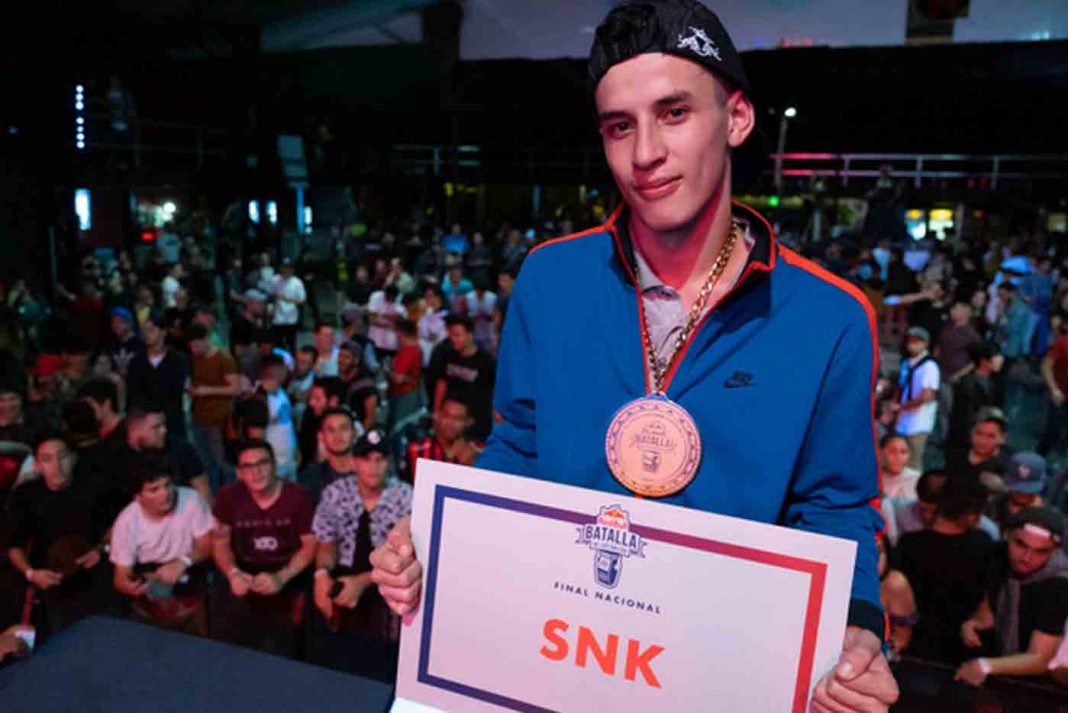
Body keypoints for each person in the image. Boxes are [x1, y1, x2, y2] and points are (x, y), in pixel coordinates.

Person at [372, 3, 898, 711]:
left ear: (737, 118)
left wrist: (858, 626)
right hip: (558, 655)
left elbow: (835, 506)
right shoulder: (551, 278)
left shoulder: (829, 317)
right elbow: (519, 447)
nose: (644, 153)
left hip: (712, 677)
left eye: (674, 113)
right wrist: (437, 539)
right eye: (620, 126)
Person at [310, 428, 412, 681]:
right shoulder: (335, 492)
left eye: (380, 459)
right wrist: (321, 576)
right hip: (343, 578)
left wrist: (362, 582)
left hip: (386, 586)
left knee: (380, 667)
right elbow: (326, 544)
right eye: (366, 459)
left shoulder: (405, 496)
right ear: (354, 462)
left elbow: (408, 557)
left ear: (389, 463)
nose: (373, 467)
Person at [211, 440, 315, 655]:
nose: (256, 472)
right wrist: (233, 573)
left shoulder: (298, 496)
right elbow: (220, 543)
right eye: (248, 467)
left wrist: (282, 577)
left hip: (289, 573)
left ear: (274, 465)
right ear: (239, 473)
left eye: (262, 463)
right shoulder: (228, 496)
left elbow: (310, 546)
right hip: (244, 572)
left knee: (288, 645)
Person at [7, 433, 113, 638]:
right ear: (37, 465)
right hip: (49, 578)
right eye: (47, 459)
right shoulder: (25, 495)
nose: (57, 466)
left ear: (73, 458)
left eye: (62, 457)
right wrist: (31, 573)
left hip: (93, 568)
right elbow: (14, 545)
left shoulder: (95, 486)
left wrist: (101, 549)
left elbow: (117, 524)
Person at [955, 508, 1068, 698]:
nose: (1026, 558)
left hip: (1043, 685)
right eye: (1020, 545)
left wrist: (985, 666)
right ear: (1006, 535)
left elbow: (1039, 658)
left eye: (1041, 551)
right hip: (998, 668)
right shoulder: (995, 556)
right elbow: (986, 610)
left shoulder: (1058, 585)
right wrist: (974, 622)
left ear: (1054, 551)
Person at [109, 453, 214, 635]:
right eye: (154, 490)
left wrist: (183, 562)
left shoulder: (191, 500)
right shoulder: (126, 522)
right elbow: (120, 577)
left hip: (191, 569)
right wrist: (132, 585)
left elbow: (207, 545)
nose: (165, 494)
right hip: (150, 579)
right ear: (138, 497)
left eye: (168, 485)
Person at [898, 476, 994, 665]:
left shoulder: (909, 544)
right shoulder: (982, 545)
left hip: (914, 645)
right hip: (964, 649)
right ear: (971, 514)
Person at [187, 323, 240, 492]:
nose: (194, 349)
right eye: (191, 346)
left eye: (197, 345)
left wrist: (207, 390)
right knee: (204, 461)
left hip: (218, 420)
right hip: (198, 417)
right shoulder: (194, 358)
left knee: (222, 461)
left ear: (206, 340)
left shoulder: (224, 359)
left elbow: (235, 388)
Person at [126, 309, 189, 444]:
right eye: (144, 331)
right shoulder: (136, 362)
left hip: (173, 425)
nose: (146, 335)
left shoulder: (177, 360)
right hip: (145, 426)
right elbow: (133, 395)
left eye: (151, 330)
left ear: (163, 332)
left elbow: (174, 391)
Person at [435, 314, 496, 442]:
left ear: (470, 335)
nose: (454, 339)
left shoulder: (486, 361)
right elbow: (442, 383)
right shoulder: (446, 354)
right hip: (450, 418)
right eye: (451, 335)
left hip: (475, 421)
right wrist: (437, 411)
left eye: (458, 335)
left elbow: (495, 393)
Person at [893, 326, 940, 470]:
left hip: (919, 422)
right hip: (903, 420)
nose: (912, 344)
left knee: (913, 461)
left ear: (925, 343)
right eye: (910, 340)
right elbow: (902, 386)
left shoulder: (930, 366)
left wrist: (903, 407)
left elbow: (926, 396)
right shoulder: (906, 363)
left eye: (916, 341)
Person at [404, 395, 481, 483]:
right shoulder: (416, 451)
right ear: (437, 415)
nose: (450, 423)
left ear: (469, 422)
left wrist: (473, 464)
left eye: (457, 418)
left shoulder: (478, 453)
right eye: (446, 415)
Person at [945, 342, 1001, 455]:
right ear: (984, 361)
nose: (1000, 361)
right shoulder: (968, 384)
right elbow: (965, 417)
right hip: (965, 440)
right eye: (997, 358)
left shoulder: (993, 381)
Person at [300, 406, 360, 503]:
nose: (338, 435)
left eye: (343, 428)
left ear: (354, 433)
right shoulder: (310, 478)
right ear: (321, 436)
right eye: (331, 430)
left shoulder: (371, 474)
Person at [945, 408, 1012, 488]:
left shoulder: (1009, 464)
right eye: (978, 433)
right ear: (970, 432)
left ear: (1003, 438)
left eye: (991, 436)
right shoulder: (955, 454)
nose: (982, 441)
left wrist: (1001, 488)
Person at [258, 355, 298, 481]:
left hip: (289, 457)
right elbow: (256, 435)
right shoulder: (259, 398)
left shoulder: (282, 392)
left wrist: (296, 447)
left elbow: (289, 422)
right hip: (274, 461)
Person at [987, 452, 1048, 532]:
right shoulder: (994, 503)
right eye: (1017, 488)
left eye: (1028, 489)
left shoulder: (1046, 519)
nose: (1022, 492)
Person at [1038, 319, 1068, 457]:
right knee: (1052, 431)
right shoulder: (1062, 343)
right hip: (1060, 396)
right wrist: (1054, 390)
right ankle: (1038, 459)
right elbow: (1046, 366)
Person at [388, 319, 423, 430]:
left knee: (399, 428)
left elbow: (398, 379)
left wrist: (387, 371)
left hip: (403, 395)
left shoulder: (407, 352)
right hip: (410, 392)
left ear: (401, 333)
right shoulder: (417, 348)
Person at [270, 259, 306, 352]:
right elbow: (270, 295)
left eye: (288, 268)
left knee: (291, 345)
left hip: (291, 319)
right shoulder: (275, 280)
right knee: (277, 346)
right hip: (278, 318)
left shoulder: (297, 283)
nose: (285, 270)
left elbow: (302, 300)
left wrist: (286, 299)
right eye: (284, 268)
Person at [103, 306, 144, 376]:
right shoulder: (110, 346)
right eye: (113, 322)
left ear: (130, 324)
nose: (115, 325)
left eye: (120, 322)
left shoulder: (141, 344)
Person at [880, 434, 920, 500]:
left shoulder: (917, 479)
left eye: (903, 452)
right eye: (892, 451)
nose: (898, 457)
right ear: (881, 453)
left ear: (909, 454)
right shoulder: (875, 480)